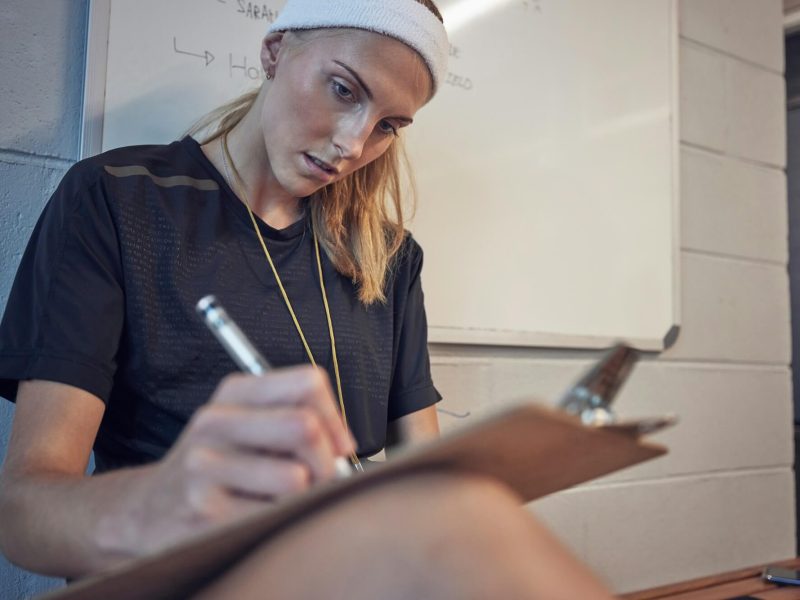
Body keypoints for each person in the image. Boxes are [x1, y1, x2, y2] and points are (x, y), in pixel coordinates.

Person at [0, 1, 617, 597]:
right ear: (274, 52)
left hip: (351, 572)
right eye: (344, 90)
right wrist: (164, 502)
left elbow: (425, 479)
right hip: (178, 575)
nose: (353, 144)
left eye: (387, 127)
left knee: (464, 508)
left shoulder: (388, 259)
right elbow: (23, 513)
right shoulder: (119, 202)